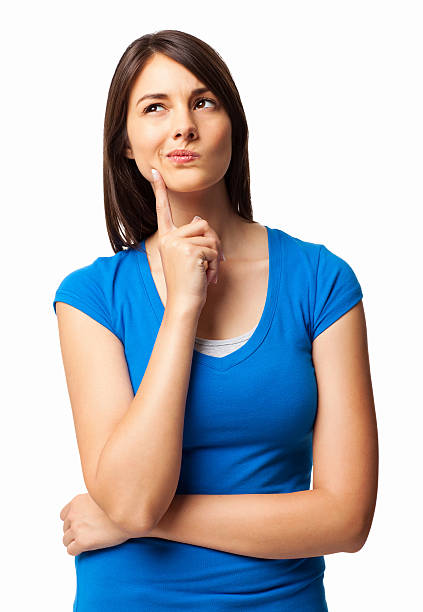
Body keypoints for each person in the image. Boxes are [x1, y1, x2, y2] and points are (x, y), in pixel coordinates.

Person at [53, 30, 378, 611]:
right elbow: (130, 496)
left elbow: (346, 518)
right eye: (155, 108)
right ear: (127, 143)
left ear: (234, 126)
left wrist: (142, 523)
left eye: (203, 102)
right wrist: (182, 306)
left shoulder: (321, 280)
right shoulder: (91, 297)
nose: (183, 125)